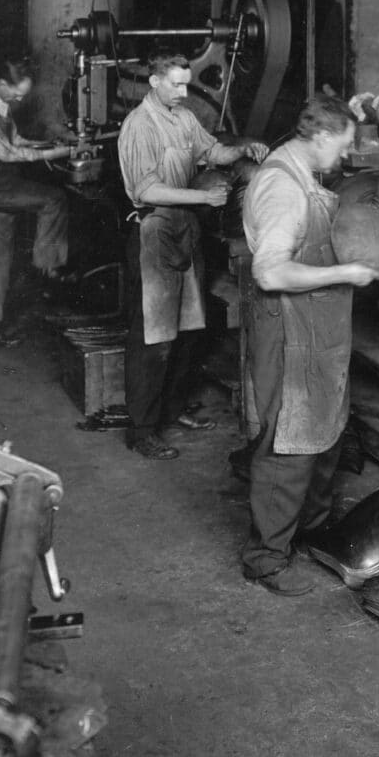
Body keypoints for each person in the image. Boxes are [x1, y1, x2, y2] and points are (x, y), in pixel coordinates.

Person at [240, 92, 379, 595]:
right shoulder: (284, 189)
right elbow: (271, 270)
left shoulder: (300, 161)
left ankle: (309, 530)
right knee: (289, 441)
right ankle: (266, 556)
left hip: (316, 324)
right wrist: (347, 271)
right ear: (319, 138)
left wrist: (347, 110)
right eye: (342, 146)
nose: (345, 156)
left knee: (323, 430)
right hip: (290, 325)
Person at [118, 52, 268, 461]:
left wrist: (241, 149)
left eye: (186, 84)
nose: (184, 92)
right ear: (154, 81)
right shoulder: (139, 127)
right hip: (154, 229)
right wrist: (204, 195)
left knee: (188, 329)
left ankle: (171, 410)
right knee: (154, 338)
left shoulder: (182, 117)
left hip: (185, 228)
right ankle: (143, 430)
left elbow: (211, 151)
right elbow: (146, 190)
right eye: (176, 84)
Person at [0, 52, 73, 345]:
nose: (19, 101)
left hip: (1, 181)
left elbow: (16, 141)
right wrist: (57, 154)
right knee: (54, 199)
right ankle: (48, 269)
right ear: (1, 83)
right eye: (17, 95)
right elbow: (6, 153)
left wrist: (51, 143)